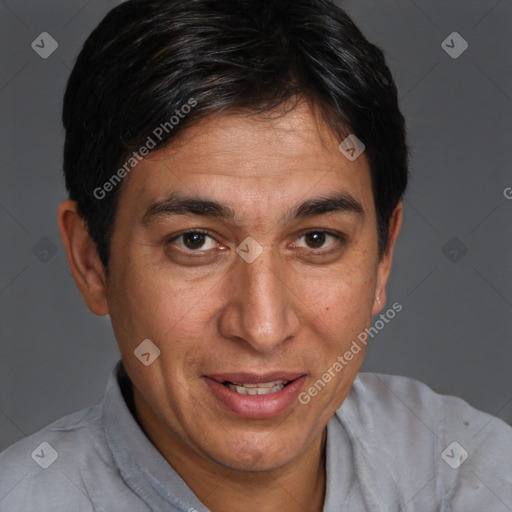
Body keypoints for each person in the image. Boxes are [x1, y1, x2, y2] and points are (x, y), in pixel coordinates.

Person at [1, 0, 511, 510]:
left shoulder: (472, 476)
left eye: (316, 239)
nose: (263, 327)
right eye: (195, 240)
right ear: (92, 261)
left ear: (383, 257)